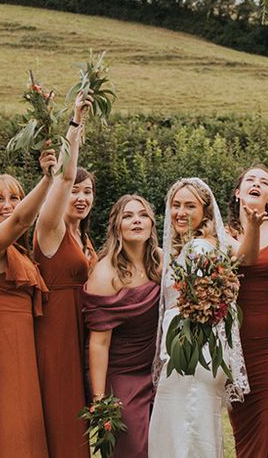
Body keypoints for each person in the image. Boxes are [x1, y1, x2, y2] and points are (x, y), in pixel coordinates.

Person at [148, 177, 249, 457]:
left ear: (205, 212)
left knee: (186, 436)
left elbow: (205, 308)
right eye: (175, 205)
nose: (180, 212)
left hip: (191, 356)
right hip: (191, 355)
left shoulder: (200, 249)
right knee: (188, 432)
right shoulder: (196, 247)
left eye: (189, 205)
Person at [0, 151, 56, 458]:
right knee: (8, 415)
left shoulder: (22, 251)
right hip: (0, 337)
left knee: (27, 414)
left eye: (15, 197)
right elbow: (21, 220)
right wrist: (48, 178)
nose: (8, 205)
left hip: (24, 339)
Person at [34, 91, 97, 458]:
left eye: (88, 191)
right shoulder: (51, 228)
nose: (81, 196)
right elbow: (61, 180)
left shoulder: (83, 238)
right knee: (61, 412)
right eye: (76, 190)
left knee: (78, 411)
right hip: (56, 329)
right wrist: (74, 126)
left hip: (81, 329)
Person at [83, 195, 161, 458]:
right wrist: (99, 399)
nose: (136, 220)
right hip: (123, 375)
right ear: (116, 226)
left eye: (142, 214)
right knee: (133, 449)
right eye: (128, 216)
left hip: (158, 372)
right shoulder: (106, 274)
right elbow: (98, 343)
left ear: (152, 223)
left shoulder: (160, 262)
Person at [227, 165, 268, 457]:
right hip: (235, 346)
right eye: (250, 180)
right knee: (245, 434)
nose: (257, 184)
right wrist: (250, 228)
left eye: (264, 182)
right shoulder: (221, 232)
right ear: (238, 193)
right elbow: (242, 257)